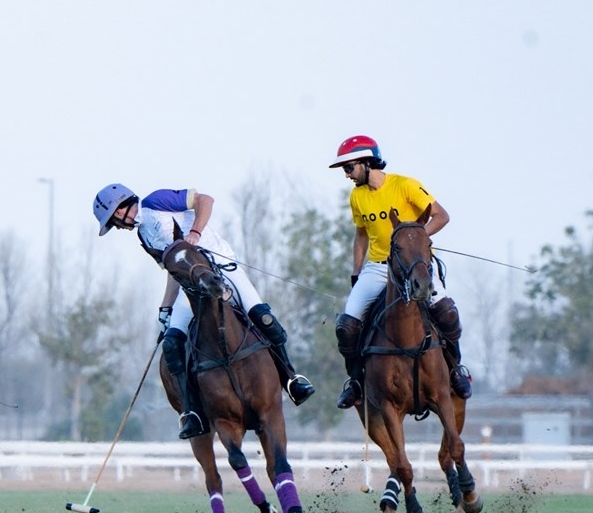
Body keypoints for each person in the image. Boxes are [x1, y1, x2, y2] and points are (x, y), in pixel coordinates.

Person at [94, 183, 315, 439]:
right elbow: (173, 272)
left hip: (221, 266)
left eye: (113, 220)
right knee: (172, 345)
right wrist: (165, 307)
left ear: (121, 207)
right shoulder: (144, 238)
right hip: (190, 286)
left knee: (264, 318)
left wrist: (195, 233)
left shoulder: (155, 202)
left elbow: (205, 200)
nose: (117, 226)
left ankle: (291, 379)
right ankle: (191, 412)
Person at [328, 134, 472, 408]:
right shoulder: (357, 196)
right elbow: (361, 236)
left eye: (349, 168)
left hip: (414, 266)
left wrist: (413, 239)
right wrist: (356, 274)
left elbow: (441, 215)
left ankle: (455, 371)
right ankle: (356, 381)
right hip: (378, 269)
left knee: (446, 312)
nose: (346, 175)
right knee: (346, 326)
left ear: (367, 162)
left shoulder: (405, 185)